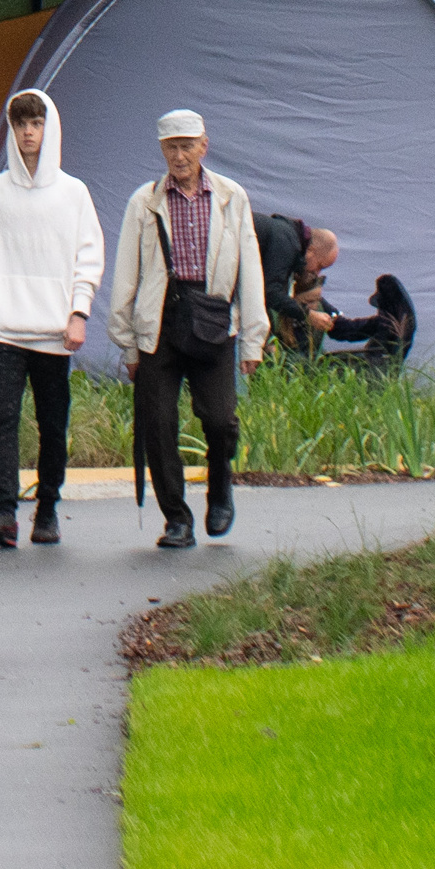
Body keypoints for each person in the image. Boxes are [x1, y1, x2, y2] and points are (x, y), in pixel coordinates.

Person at [108, 110, 268, 548]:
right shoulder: (145, 200)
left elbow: (250, 268)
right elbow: (127, 272)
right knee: (158, 424)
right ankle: (176, 517)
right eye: (171, 147)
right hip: (161, 318)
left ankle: (220, 489)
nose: (179, 156)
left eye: (186, 146)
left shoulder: (231, 197)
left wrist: (253, 337)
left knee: (219, 418)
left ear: (204, 146)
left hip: (215, 317)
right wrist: (128, 344)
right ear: (161, 150)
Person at [0, 88, 103, 549]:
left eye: (36, 123)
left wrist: (79, 312)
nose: (27, 133)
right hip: (1, 328)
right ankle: (4, 512)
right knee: (3, 417)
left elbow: (89, 258)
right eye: (20, 124)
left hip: (54, 330)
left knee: (51, 421)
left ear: (50, 127)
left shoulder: (73, 193)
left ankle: (48, 508)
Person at [256, 213, 339, 354]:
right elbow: (271, 293)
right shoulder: (287, 243)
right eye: (320, 266)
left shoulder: (285, 235)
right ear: (311, 251)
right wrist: (309, 315)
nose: (317, 273)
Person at [313, 273, 418, 372]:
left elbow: (340, 329)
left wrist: (379, 324)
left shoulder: (319, 304)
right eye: (310, 301)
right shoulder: (301, 308)